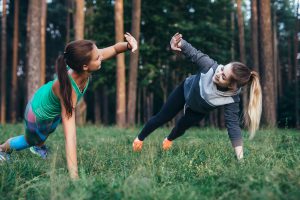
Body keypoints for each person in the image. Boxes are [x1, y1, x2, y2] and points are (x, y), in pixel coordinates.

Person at [0, 33, 138, 179]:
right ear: (85, 66)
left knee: (48, 132)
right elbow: (70, 136)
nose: (101, 56)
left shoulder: (82, 63)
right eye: (97, 57)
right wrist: (75, 177)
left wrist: (129, 45)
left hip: (50, 107)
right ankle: (2, 149)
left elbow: (115, 49)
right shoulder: (68, 90)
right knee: (31, 140)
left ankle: (39, 146)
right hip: (37, 113)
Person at [132, 33, 262, 160]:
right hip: (185, 91)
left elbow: (233, 126)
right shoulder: (210, 66)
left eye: (224, 76)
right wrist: (179, 43)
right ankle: (139, 139)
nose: (219, 73)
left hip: (198, 110)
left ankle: (168, 140)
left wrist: (240, 158)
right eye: (223, 69)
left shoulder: (231, 99)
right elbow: (193, 52)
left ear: (232, 87)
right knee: (162, 117)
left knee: (181, 127)